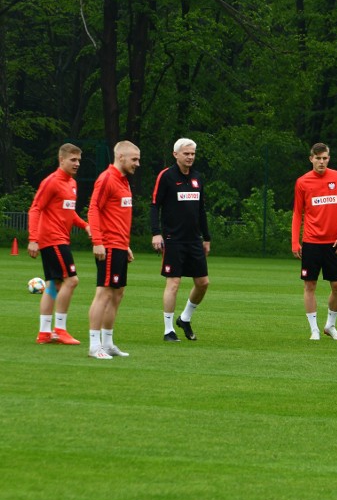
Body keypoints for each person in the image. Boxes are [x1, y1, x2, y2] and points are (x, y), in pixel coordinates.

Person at [27, 143, 90, 345]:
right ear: (61, 160)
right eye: (73, 159)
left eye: (79, 160)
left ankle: (44, 333)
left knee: (54, 284)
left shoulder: (71, 183)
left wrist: (85, 225)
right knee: (72, 281)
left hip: (60, 238)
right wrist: (33, 239)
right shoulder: (52, 182)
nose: (77, 163)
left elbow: (69, 212)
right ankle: (60, 329)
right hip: (53, 239)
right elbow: (35, 209)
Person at [151, 138, 211, 342]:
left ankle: (184, 318)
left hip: (194, 240)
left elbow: (201, 210)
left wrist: (206, 238)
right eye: (186, 153)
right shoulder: (166, 176)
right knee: (173, 283)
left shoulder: (197, 177)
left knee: (203, 283)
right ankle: (168, 330)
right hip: (173, 239)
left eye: (193, 153)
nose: (190, 157)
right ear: (175, 154)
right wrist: (156, 232)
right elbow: (154, 205)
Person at [86, 140, 140, 360]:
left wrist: (124, 244)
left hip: (118, 245)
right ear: (121, 157)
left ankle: (107, 343)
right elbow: (93, 209)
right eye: (134, 159)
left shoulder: (124, 181)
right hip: (107, 245)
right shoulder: (107, 178)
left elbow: (116, 215)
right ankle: (94, 345)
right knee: (104, 292)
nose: (138, 163)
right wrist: (97, 241)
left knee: (117, 293)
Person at [292, 142, 337, 341]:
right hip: (310, 242)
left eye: (325, 158)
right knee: (310, 285)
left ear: (329, 158)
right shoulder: (302, 182)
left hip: (334, 243)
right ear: (311, 159)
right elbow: (297, 214)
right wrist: (295, 241)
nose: (322, 162)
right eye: (318, 158)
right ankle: (314, 329)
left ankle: (330, 326)